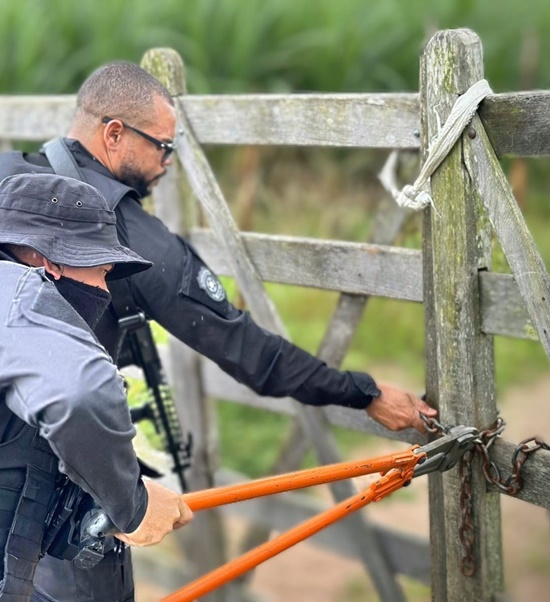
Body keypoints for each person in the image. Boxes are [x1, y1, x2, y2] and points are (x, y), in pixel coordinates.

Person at [0, 62, 437, 601]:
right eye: (163, 146)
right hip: (66, 487)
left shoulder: (6, 174)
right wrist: (362, 392)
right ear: (114, 133)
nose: (167, 163)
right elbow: (248, 351)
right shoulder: (133, 237)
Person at [0, 173, 193, 602]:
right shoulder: (13, 297)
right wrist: (133, 505)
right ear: (41, 259)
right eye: (102, 271)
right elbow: (81, 394)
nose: (105, 290)